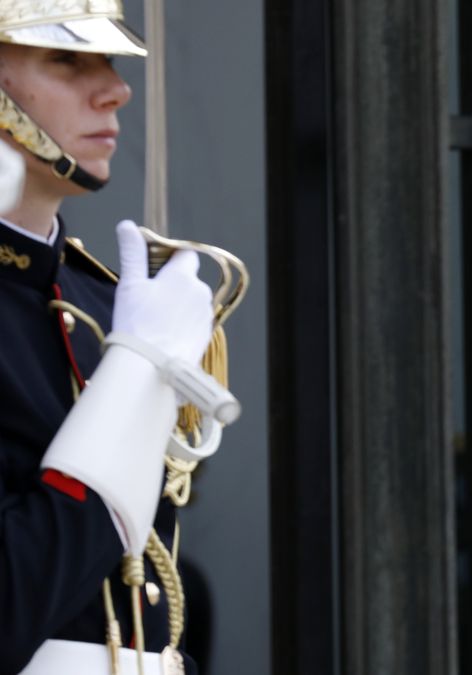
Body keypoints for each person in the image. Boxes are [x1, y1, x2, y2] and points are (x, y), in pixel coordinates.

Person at [0, 2, 214, 673]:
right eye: (66, 60)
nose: (115, 89)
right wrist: (133, 372)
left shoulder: (101, 302)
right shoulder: (127, 325)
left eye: (110, 61)